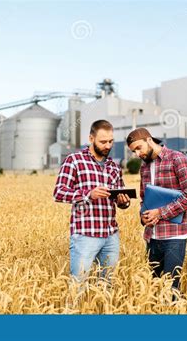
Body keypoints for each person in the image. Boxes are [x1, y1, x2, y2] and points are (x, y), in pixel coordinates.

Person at [53, 120, 130, 281]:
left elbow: (120, 198)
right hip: (85, 235)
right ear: (91, 138)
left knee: (107, 284)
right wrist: (89, 194)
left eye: (110, 141)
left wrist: (123, 201)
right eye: (103, 142)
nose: (107, 146)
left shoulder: (114, 166)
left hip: (111, 235)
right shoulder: (74, 160)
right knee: (78, 284)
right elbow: (59, 193)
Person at [126, 127, 187, 293]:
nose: (137, 154)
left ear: (150, 140)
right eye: (133, 151)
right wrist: (143, 217)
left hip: (174, 235)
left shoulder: (177, 159)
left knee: (170, 288)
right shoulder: (144, 167)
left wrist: (160, 212)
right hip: (152, 236)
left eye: (139, 148)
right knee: (155, 288)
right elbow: (145, 199)